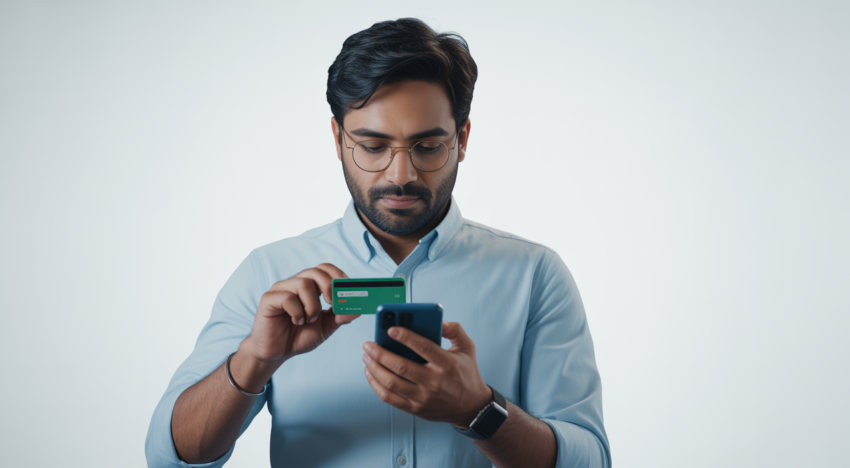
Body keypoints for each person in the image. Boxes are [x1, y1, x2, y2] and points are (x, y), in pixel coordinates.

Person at [145, 18, 610, 468]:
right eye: (372, 146)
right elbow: (170, 457)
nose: (400, 175)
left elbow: (590, 461)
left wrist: (478, 410)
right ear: (338, 139)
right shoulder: (268, 274)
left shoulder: (535, 275)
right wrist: (254, 359)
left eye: (428, 147)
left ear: (462, 139)